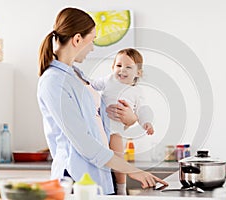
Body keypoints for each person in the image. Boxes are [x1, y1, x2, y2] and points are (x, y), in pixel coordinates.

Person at [37, 7, 168, 195]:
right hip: (78, 179)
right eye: (92, 41)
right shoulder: (53, 81)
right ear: (77, 40)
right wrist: (132, 170)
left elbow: (100, 124)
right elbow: (85, 143)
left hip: (101, 176)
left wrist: (130, 119)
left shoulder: (77, 76)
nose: (92, 48)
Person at [91, 48, 154, 195]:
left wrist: (146, 123)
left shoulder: (137, 92)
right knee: (101, 157)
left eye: (128, 67)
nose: (122, 70)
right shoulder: (108, 80)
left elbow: (142, 110)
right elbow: (91, 85)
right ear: (112, 68)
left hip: (115, 130)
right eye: (118, 66)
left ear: (138, 72)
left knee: (118, 158)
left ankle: (121, 188)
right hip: (100, 127)